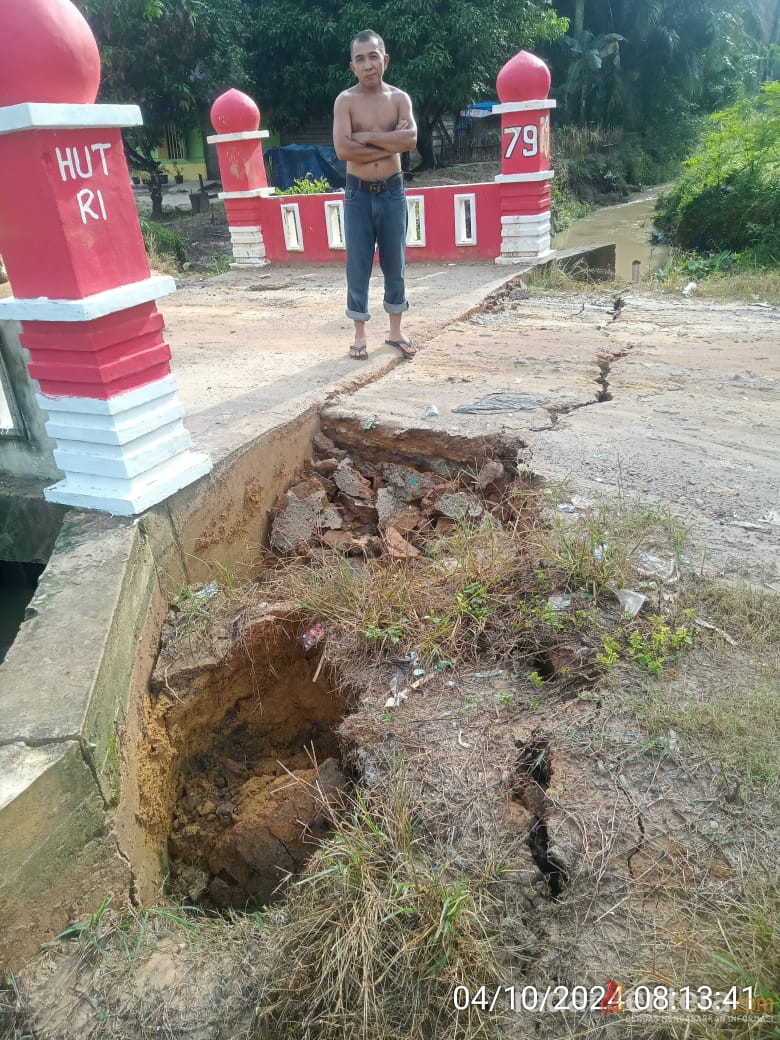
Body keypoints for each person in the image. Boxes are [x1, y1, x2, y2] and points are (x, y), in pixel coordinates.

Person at [333, 30, 418, 360]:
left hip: (392, 193)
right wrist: (387, 141)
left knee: (395, 263)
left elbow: (409, 139)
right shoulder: (345, 101)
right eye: (360, 59)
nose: (367, 64)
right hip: (358, 195)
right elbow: (343, 149)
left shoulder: (399, 99)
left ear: (385, 60)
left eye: (373, 56)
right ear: (352, 66)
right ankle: (359, 334)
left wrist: (364, 137)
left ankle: (395, 332)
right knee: (358, 266)